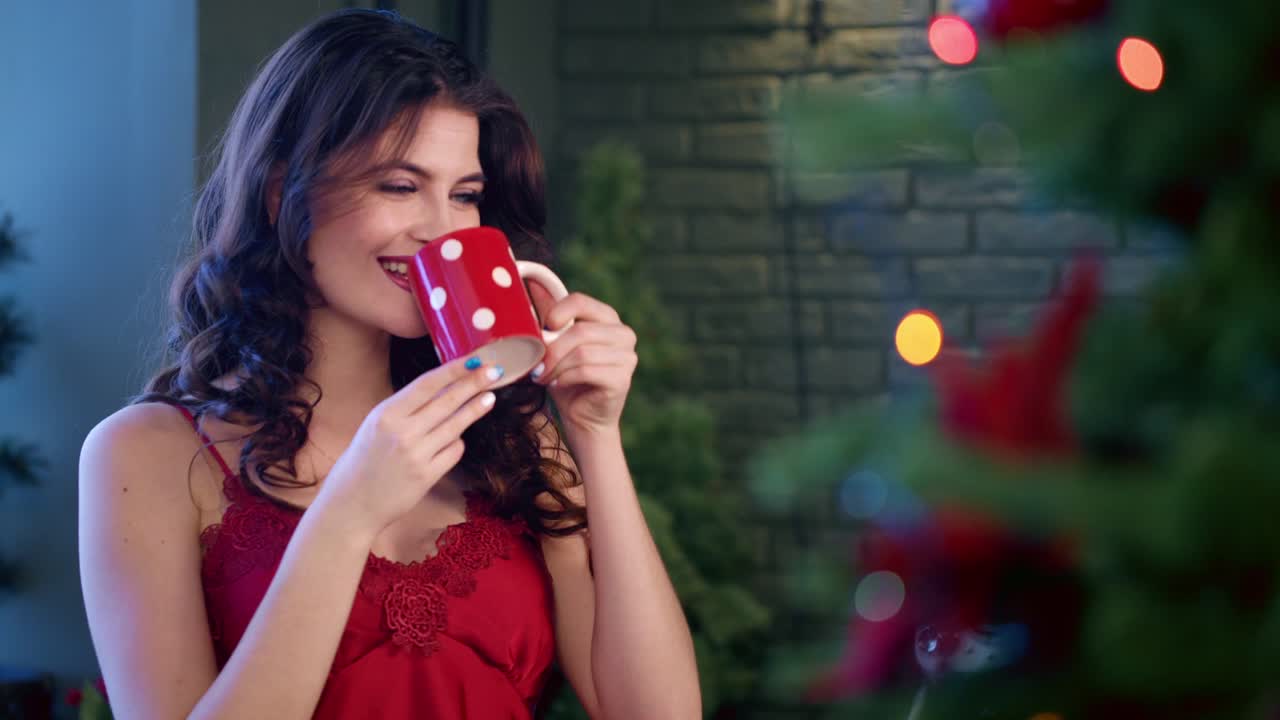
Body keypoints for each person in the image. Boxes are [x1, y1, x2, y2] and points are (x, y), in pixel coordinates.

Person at [77, 9, 700, 719]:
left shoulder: (517, 437)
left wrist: (595, 433)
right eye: (399, 187)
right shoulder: (144, 455)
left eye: (464, 196)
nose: (441, 231)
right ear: (284, 194)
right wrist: (347, 514)